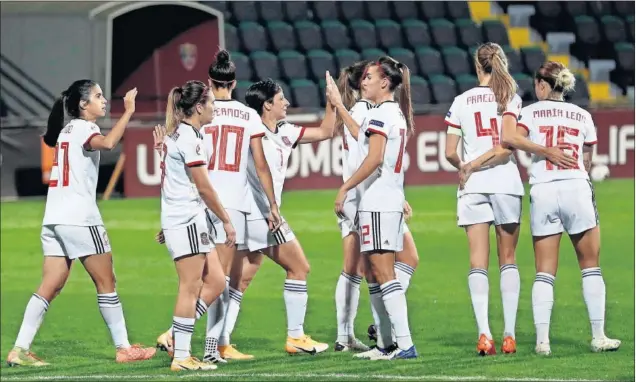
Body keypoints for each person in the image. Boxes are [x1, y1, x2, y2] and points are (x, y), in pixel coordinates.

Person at [6, 80, 156, 367]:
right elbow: (109, 143)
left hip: (53, 219)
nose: (103, 100)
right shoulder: (87, 128)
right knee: (106, 281)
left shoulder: (66, 131)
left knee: (51, 284)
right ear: (83, 105)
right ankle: (124, 348)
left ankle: (20, 348)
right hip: (80, 218)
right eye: (98, 96)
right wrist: (128, 112)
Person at [474, 61, 620, 355]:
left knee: (544, 271)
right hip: (576, 187)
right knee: (590, 265)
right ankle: (598, 335)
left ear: (542, 85)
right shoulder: (582, 115)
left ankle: (542, 342)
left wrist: (542, 151)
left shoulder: (528, 112)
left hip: (543, 189)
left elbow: (511, 139)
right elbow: (588, 156)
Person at [155, 50, 280, 363]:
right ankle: (203, 348)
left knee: (215, 280)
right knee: (211, 283)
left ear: (211, 81)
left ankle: (181, 339)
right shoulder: (246, 115)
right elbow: (260, 164)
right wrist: (271, 203)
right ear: (233, 83)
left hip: (198, 208)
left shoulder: (183, 130)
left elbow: (174, 174)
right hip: (225, 203)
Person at [203, 76, 338, 360]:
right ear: (266, 106)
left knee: (241, 278)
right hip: (260, 215)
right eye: (281, 99)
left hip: (248, 215)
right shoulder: (249, 131)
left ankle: (221, 343)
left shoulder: (285, 130)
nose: (286, 103)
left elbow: (327, 131)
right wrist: (272, 207)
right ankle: (296, 335)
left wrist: (332, 101)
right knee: (299, 267)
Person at [442, 42, 529, 356]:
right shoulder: (511, 98)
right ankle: (509, 334)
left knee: (477, 261)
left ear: (477, 66)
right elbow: (507, 148)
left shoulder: (461, 101)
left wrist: (464, 167)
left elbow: (450, 152)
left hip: (474, 185)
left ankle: (484, 335)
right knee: (508, 259)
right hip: (505, 182)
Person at [329, 61, 419, 354]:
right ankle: (385, 343)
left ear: (384, 83)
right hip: (383, 198)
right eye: (364, 76)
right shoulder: (388, 113)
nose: (365, 81)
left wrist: (345, 187)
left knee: (381, 273)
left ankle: (401, 344)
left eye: (371, 77)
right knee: (377, 272)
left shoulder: (380, 113)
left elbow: (374, 157)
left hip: (378, 201)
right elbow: (365, 142)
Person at [158, 80, 236, 371]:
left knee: (216, 282)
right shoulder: (189, 138)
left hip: (187, 218)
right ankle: (181, 356)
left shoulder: (179, 134)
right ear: (199, 107)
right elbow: (203, 187)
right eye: (212, 104)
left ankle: (174, 337)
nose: (215, 108)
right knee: (189, 286)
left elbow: (171, 183)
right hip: (187, 218)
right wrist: (226, 220)